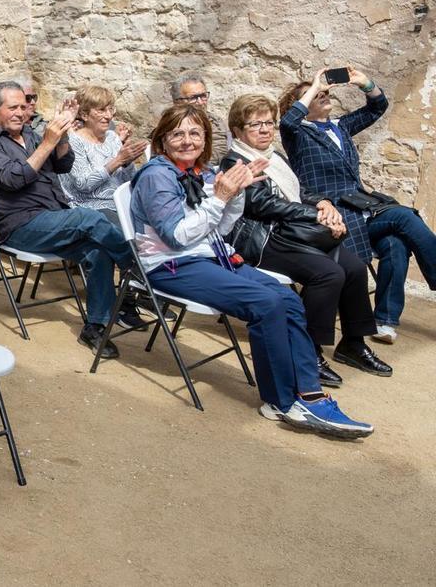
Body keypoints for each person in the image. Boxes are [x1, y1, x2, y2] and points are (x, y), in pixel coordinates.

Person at [130, 103, 373, 438]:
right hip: (173, 265)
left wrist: (235, 196)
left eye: (195, 133)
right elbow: (178, 236)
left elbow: (222, 227)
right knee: (266, 303)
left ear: (206, 138)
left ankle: (310, 393)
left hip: (213, 255)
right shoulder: (157, 176)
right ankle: (280, 401)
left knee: (287, 300)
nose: (187, 140)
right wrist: (220, 197)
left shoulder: (202, 172)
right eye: (178, 134)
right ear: (162, 140)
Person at [221, 93, 388, 386]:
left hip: (292, 232)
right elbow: (261, 204)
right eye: (254, 124)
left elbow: (298, 191)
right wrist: (315, 216)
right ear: (237, 130)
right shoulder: (235, 161)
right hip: (262, 240)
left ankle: (353, 342)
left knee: (354, 266)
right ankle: (307, 351)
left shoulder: (274, 157)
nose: (264, 130)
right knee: (328, 274)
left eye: (269, 123)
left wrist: (322, 203)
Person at [0, 82, 135, 356]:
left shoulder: (31, 135)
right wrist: (48, 141)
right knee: (87, 217)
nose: (20, 113)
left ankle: (95, 326)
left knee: (97, 251)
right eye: (13, 107)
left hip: (53, 218)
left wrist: (63, 136)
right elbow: (14, 180)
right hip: (20, 226)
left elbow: (62, 164)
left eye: (23, 107)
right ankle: (137, 267)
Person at [280, 67, 436, 345]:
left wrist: (365, 83)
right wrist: (314, 84)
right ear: (303, 105)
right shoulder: (298, 134)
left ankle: (384, 322)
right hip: (335, 214)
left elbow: (377, 107)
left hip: (362, 206)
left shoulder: (340, 126)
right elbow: (287, 122)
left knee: (394, 243)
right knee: (404, 217)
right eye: (317, 95)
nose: (324, 96)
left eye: (326, 93)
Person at [60, 85, 144, 217]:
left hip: (122, 204)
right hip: (91, 209)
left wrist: (127, 163)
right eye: (101, 110)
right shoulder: (74, 141)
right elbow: (83, 184)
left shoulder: (112, 137)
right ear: (84, 115)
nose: (109, 116)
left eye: (110, 109)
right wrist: (118, 161)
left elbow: (131, 181)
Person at [170, 73, 229, 166]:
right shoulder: (169, 125)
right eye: (193, 98)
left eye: (203, 96)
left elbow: (222, 152)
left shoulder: (216, 122)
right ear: (177, 101)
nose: (200, 102)